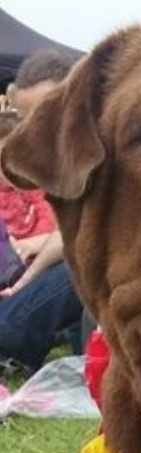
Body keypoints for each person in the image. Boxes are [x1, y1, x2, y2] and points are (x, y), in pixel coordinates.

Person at [0, 50, 83, 375]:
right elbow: (70, 230)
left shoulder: (115, 143)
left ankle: (9, 338)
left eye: (46, 114)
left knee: (83, 266)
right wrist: (27, 281)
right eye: (26, 119)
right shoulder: (59, 158)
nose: (35, 130)